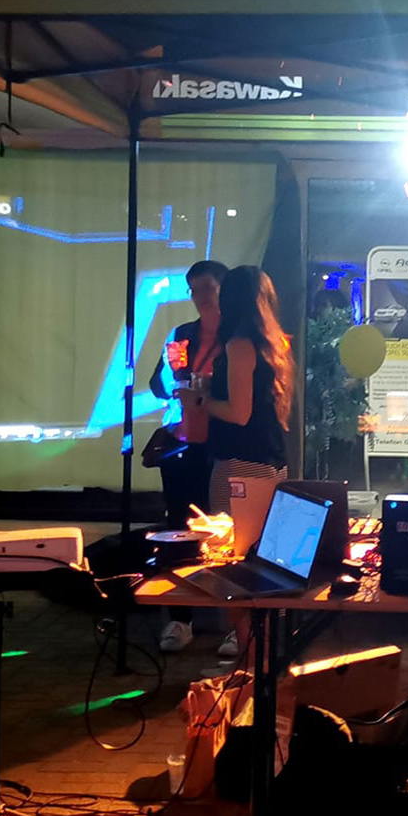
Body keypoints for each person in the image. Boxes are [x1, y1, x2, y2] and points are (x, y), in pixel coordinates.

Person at [179, 263, 294, 658]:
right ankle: (260, 657)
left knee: (231, 562)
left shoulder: (238, 344)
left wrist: (199, 400)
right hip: (270, 460)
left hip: (239, 463)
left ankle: (246, 657)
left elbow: (239, 413)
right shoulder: (272, 342)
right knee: (262, 561)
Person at [150, 260, 227, 653]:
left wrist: (208, 386)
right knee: (179, 528)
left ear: (224, 289)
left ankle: (234, 622)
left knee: (228, 530)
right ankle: (181, 619)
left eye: (207, 288)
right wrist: (173, 375)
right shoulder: (182, 334)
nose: (199, 297)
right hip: (183, 442)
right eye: (194, 289)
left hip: (224, 444)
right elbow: (158, 385)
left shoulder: (237, 337)